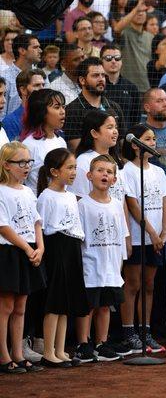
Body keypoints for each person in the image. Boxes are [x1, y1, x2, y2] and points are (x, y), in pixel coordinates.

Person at [120, 124, 166, 354]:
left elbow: (164, 203)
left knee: (149, 285)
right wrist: (150, 232)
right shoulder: (127, 171)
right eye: (148, 139)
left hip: (156, 239)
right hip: (140, 237)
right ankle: (129, 331)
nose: (153, 143)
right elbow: (132, 205)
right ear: (135, 144)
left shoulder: (159, 172)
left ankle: (145, 330)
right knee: (133, 285)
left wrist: (163, 232)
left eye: (153, 139)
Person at [36, 148, 88, 368]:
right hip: (56, 248)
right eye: (69, 167)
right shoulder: (46, 196)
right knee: (54, 302)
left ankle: (60, 349)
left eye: (75, 167)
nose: (74, 172)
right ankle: (48, 352)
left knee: (66, 301)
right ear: (54, 172)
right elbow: (42, 227)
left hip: (72, 246)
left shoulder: (70, 196)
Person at [75, 155, 128, 363]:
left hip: (111, 265)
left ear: (114, 179)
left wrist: (120, 262)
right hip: (90, 263)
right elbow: (80, 238)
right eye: (99, 170)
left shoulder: (116, 204)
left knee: (105, 306)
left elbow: (121, 235)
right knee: (88, 306)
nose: (104, 174)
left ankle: (101, 343)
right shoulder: (83, 205)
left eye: (109, 172)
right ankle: (82, 343)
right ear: (89, 175)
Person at [0, 142, 45, 374]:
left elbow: (37, 222)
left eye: (29, 162)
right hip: (9, 252)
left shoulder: (28, 191)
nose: (26, 167)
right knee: (5, 306)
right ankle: (4, 355)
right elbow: (3, 226)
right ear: (6, 165)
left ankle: (18, 353)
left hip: (29, 250)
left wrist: (40, 247)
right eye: (21, 162)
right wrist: (28, 250)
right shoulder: (1, 190)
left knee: (21, 307)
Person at [62, 57, 125, 152]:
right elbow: (77, 149)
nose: (101, 79)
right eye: (95, 75)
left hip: (115, 163)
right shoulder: (72, 110)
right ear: (82, 80)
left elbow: (122, 144)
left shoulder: (114, 107)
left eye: (103, 75)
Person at [70, 110, 126, 203]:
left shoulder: (115, 161)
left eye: (115, 127)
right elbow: (78, 199)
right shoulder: (84, 161)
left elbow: (121, 198)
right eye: (110, 127)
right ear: (94, 133)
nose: (115, 131)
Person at [20, 89, 68, 195]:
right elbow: (19, 182)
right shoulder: (29, 145)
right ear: (42, 112)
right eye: (57, 107)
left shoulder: (61, 142)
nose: (62, 111)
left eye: (63, 107)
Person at [112, 0, 153, 92]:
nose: (140, 14)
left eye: (143, 11)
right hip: (127, 87)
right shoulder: (124, 33)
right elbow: (117, 29)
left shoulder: (150, 37)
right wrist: (136, 8)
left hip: (146, 87)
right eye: (137, 11)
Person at [101, 44, 141, 132]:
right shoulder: (97, 87)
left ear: (121, 61)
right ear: (101, 61)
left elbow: (136, 119)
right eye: (108, 58)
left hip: (126, 138)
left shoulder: (132, 88)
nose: (113, 61)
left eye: (117, 58)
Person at [2, 34, 42, 119]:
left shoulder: (40, 76)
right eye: (35, 47)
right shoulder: (4, 77)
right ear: (22, 51)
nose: (40, 50)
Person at [3, 69, 46, 141]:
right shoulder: (10, 121)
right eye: (37, 85)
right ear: (23, 90)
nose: (42, 89)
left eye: (43, 85)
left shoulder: (48, 117)